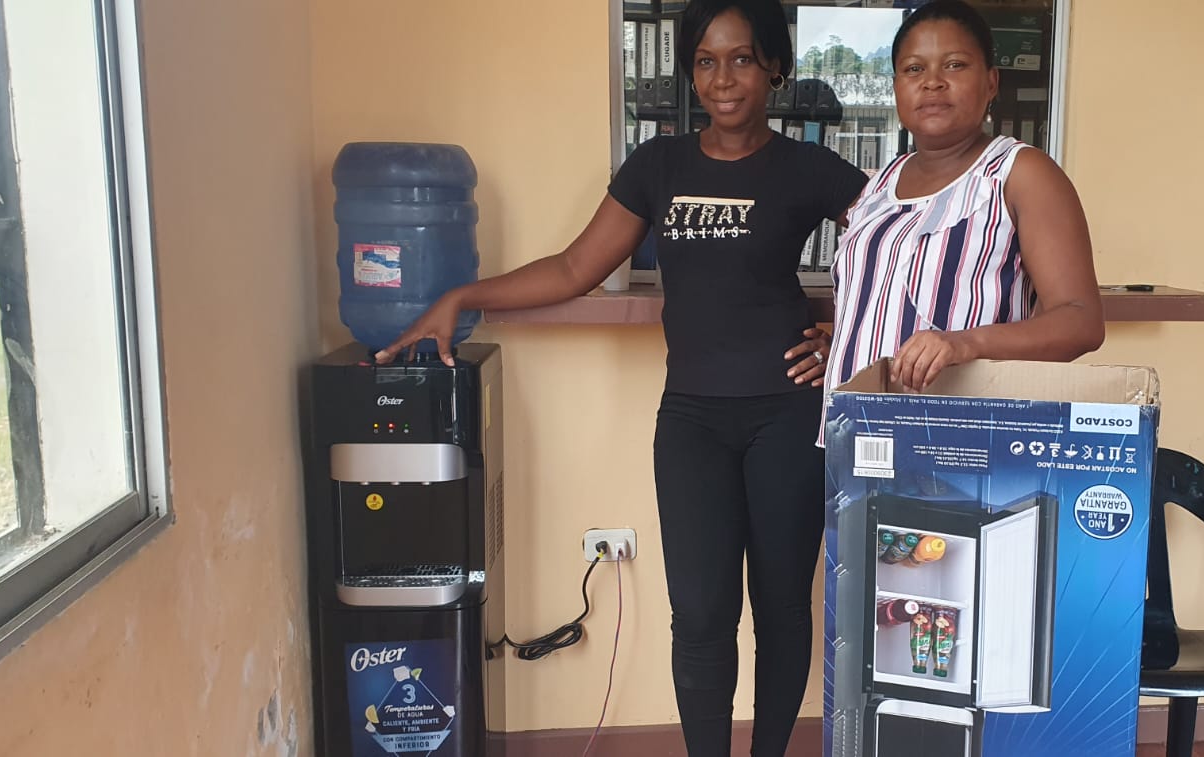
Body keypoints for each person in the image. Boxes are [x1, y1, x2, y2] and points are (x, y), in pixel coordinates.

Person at [372, 2, 869, 754]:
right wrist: (461, 296)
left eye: (741, 58)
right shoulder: (658, 165)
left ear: (774, 66)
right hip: (692, 421)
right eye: (705, 61)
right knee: (699, 614)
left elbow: (898, 249)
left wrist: (849, 334)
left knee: (781, 610)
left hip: (788, 415)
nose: (723, 79)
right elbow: (575, 267)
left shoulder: (809, 168)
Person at [820, 0, 1104, 403]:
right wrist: (836, 345)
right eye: (914, 69)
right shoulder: (880, 186)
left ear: (991, 82)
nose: (932, 82)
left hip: (959, 428)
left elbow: (1081, 321)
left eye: (954, 65)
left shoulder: (1018, 174)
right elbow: (877, 309)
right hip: (856, 428)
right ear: (896, 86)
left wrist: (965, 344)